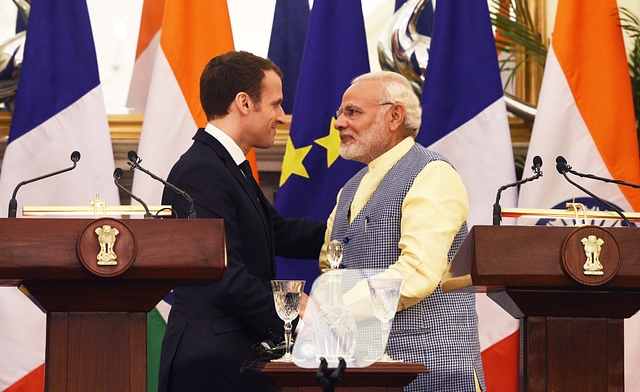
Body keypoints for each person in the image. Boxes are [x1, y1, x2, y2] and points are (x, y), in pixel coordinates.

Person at [158, 50, 326, 392]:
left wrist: (348, 233)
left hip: (231, 358)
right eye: (276, 104)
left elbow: (273, 231)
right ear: (244, 103)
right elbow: (222, 275)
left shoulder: (225, 164)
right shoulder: (201, 171)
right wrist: (297, 309)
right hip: (210, 368)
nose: (282, 116)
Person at [319, 71, 485, 391]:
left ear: (395, 116)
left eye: (352, 112)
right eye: (340, 113)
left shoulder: (432, 174)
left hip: (429, 372)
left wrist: (338, 309)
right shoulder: (348, 190)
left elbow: (417, 273)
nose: (339, 123)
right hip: (364, 375)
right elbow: (330, 266)